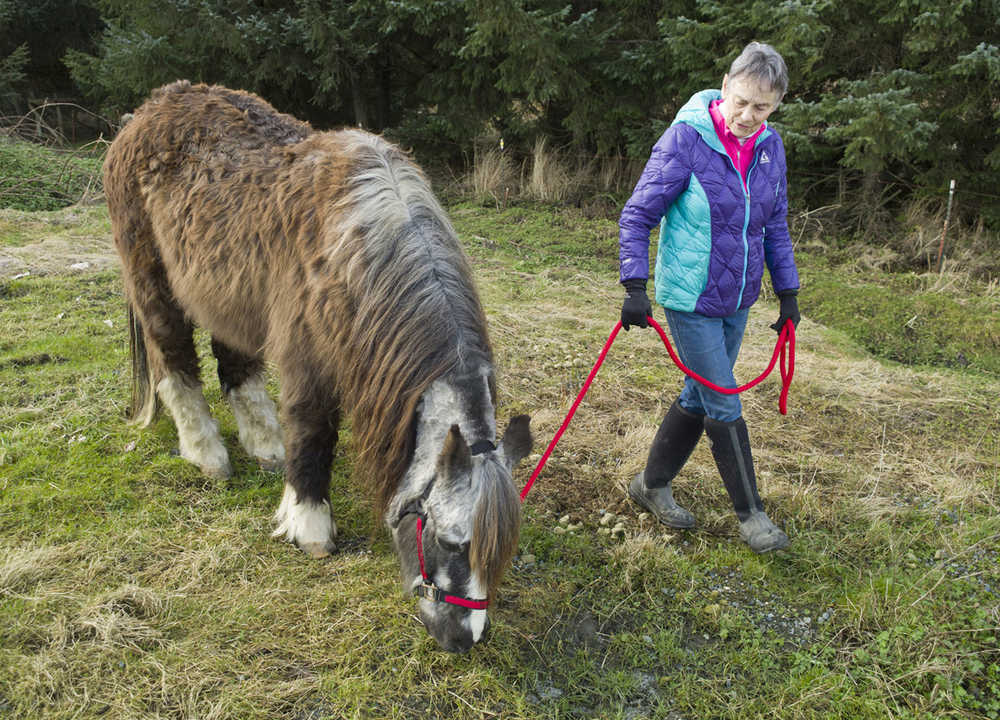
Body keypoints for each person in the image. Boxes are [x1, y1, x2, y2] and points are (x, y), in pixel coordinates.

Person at [618, 41, 800, 553]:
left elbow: (776, 226)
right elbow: (637, 215)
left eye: (761, 107)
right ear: (724, 87)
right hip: (689, 297)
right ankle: (752, 517)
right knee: (723, 398)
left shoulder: (771, 148)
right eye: (740, 100)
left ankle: (649, 486)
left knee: (699, 394)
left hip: (738, 299)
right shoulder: (686, 140)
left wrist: (787, 293)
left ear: (777, 104)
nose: (747, 115)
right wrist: (635, 285)